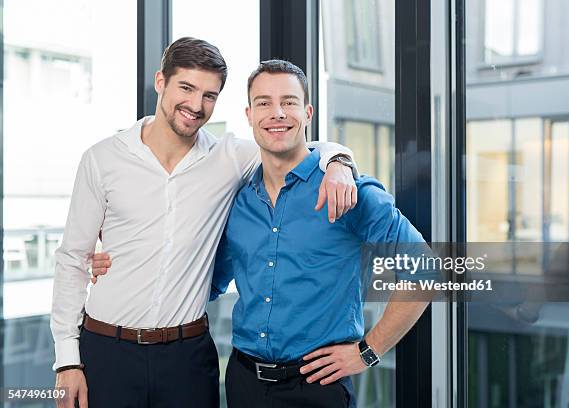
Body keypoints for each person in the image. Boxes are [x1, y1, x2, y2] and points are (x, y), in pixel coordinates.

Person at [94, 59, 435, 408]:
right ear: (249, 114)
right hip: (244, 383)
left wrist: (367, 352)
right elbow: (199, 282)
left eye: (288, 102)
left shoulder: (349, 193)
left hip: (316, 388)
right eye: (264, 103)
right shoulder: (237, 202)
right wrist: (124, 263)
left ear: (307, 113)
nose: (277, 113)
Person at [52, 38, 358, 408]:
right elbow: (72, 259)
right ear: (160, 81)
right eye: (187, 88)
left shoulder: (230, 158)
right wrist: (67, 359)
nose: (196, 106)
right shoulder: (103, 159)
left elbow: (297, 147)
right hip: (106, 350)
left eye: (210, 95)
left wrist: (339, 162)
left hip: (187, 359)